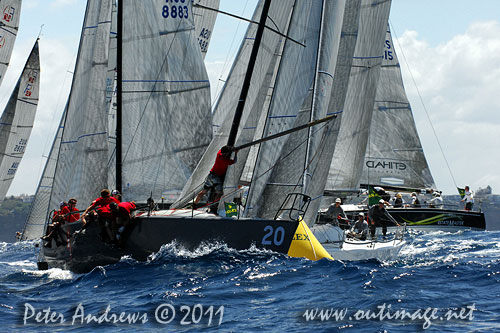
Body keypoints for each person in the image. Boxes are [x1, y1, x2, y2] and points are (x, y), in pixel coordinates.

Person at [195, 145, 238, 214]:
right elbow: (234, 161)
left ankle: (194, 204)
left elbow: (222, 150)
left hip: (211, 175)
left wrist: (231, 150)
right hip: (216, 177)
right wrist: (236, 153)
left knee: (204, 191)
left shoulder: (218, 154)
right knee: (220, 192)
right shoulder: (226, 161)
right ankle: (213, 208)